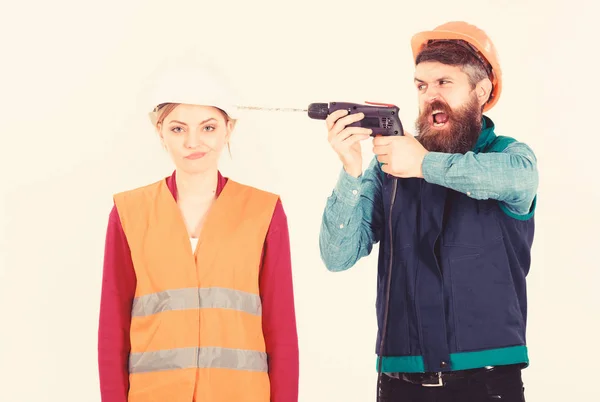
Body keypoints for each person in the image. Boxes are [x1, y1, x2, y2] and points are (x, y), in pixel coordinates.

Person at [319, 21, 538, 402]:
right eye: (422, 86)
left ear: (481, 90)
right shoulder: (390, 166)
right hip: (399, 382)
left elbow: (518, 181)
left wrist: (424, 164)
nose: (430, 96)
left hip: (486, 384)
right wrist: (352, 171)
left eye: (444, 83)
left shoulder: (509, 156)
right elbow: (336, 256)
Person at [97, 66, 299, 402]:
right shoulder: (128, 213)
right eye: (178, 128)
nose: (193, 142)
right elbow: (112, 331)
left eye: (208, 127)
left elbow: (281, 331)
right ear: (160, 131)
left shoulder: (264, 211)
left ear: (228, 130)